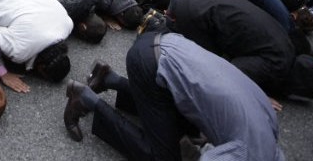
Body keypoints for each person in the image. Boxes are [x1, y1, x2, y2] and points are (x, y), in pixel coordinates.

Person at [63, 29, 285, 160]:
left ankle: (108, 79)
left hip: (169, 44)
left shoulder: (269, 127)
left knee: (186, 127)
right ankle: (86, 98)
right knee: (165, 156)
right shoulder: (248, 155)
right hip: (151, 63)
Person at [167, 0, 313, 100]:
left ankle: (175, 14)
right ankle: (166, 27)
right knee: (207, 72)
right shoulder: (278, 66)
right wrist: (255, 96)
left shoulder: (287, 47)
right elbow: (232, 72)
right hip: (197, 15)